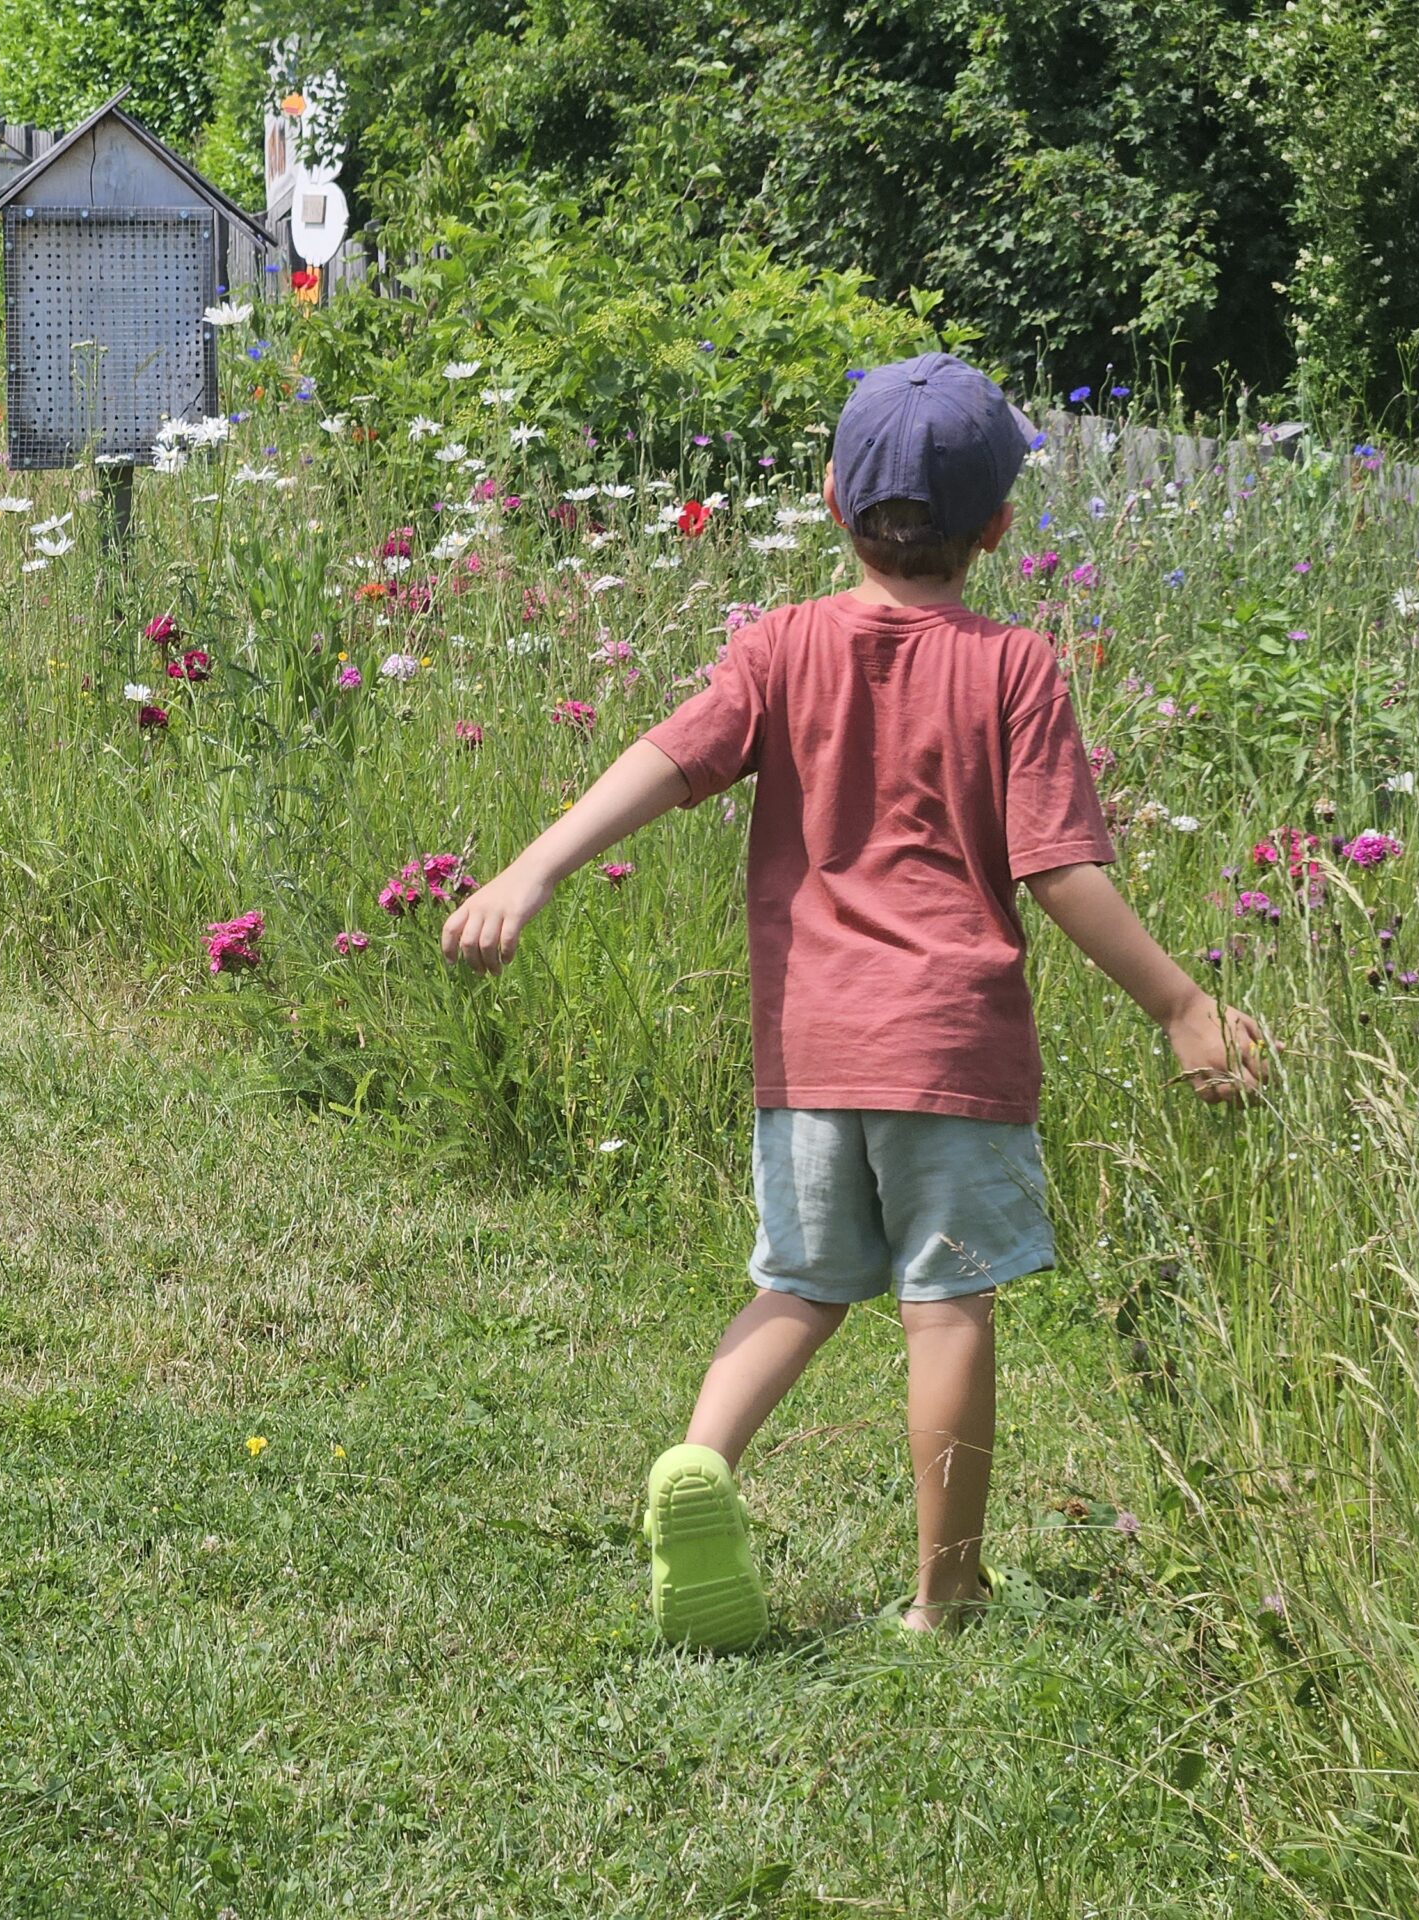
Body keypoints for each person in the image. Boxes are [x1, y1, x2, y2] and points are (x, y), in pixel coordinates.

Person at [438, 353, 1266, 1644]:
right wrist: (1179, 1005)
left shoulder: (782, 647)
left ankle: (702, 1464)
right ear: (996, 527)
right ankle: (945, 1595)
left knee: (800, 1289)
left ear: (833, 499)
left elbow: (664, 762)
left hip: (811, 1052)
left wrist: (533, 871)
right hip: (955, 1053)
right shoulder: (1016, 668)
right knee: (947, 1310)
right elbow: (1062, 872)